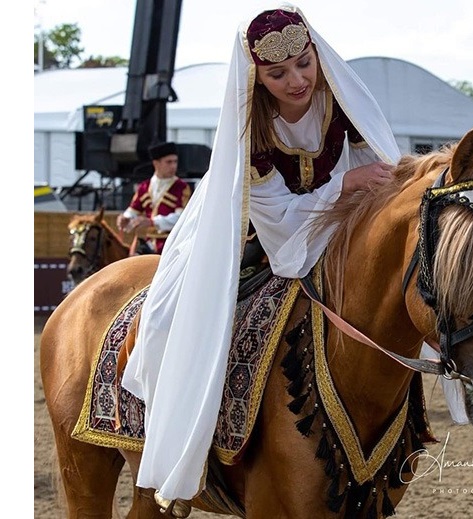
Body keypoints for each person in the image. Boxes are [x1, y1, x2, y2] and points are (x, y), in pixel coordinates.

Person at [119, 4, 400, 513]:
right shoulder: (253, 127)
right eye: (277, 73)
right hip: (241, 227)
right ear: (257, 75)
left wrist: (362, 195)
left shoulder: (344, 102)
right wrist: (344, 186)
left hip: (336, 229)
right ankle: (178, 457)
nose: (296, 81)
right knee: (164, 322)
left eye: (303, 64)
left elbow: (378, 168)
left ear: (316, 54)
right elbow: (274, 223)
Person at [115, 142, 191, 255]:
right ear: (156, 164)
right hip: (147, 242)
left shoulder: (182, 187)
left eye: (175, 162)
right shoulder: (144, 187)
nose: (173, 166)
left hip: (172, 243)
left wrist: (152, 222)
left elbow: (182, 218)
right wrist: (125, 218)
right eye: (169, 162)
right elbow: (133, 210)